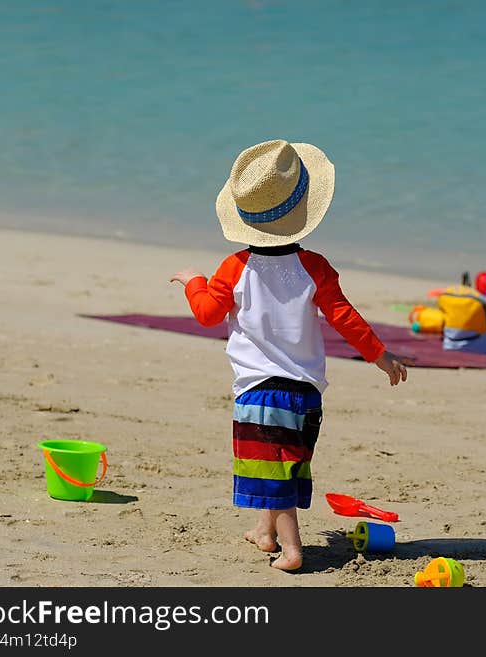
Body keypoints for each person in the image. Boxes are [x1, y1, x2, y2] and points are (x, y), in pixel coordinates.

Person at [170, 139, 413, 571]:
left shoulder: (235, 267)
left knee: (274, 473)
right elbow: (345, 317)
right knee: (283, 466)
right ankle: (265, 532)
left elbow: (207, 314)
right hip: (305, 395)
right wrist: (380, 355)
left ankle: (293, 550)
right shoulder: (315, 267)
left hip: (261, 393)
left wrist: (194, 281)